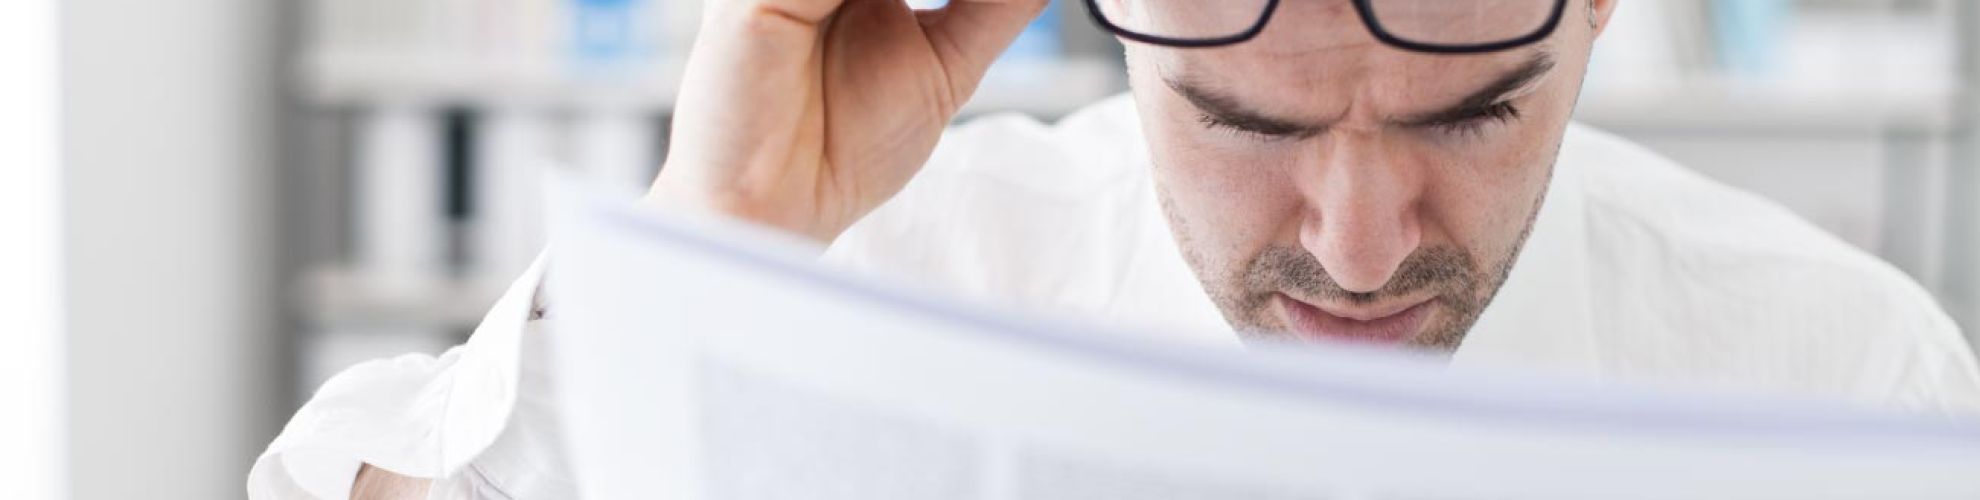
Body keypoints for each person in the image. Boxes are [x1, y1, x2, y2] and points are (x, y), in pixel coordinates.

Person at [250, 0, 1980, 497]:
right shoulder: (888, 271)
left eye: (1468, 119)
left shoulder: (1845, 374)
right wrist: (713, 249)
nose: (1363, 250)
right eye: (1248, 127)